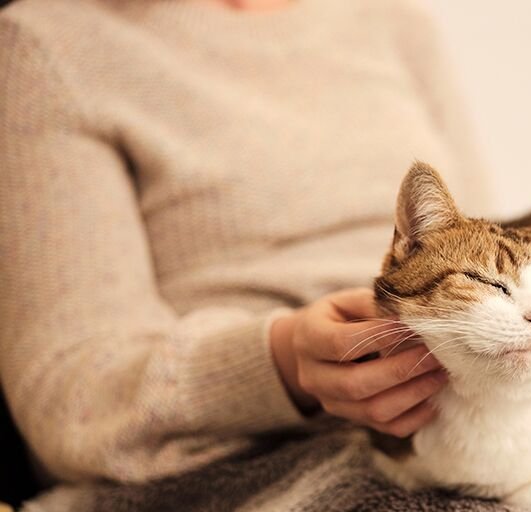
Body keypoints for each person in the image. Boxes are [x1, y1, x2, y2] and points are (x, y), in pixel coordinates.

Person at [0, 0, 490, 483]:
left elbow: (487, 244)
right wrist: (282, 362)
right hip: (230, 475)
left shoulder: (395, 23)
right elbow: (70, 405)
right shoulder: (48, 45)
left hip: (460, 427)